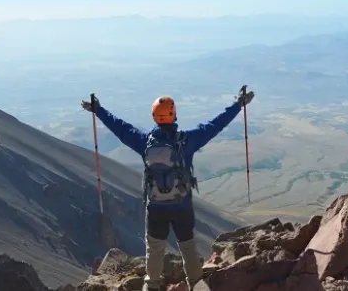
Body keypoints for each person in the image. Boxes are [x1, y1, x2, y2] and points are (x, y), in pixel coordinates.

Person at [81, 87, 255, 291]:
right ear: (173, 113)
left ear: (154, 116)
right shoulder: (187, 141)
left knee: (154, 249)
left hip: (155, 207)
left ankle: (151, 285)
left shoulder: (145, 142)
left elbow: (120, 128)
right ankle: (197, 285)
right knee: (188, 247)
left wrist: (98, 110)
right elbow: (215, 125)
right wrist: (238, 105)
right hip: (181, 205)